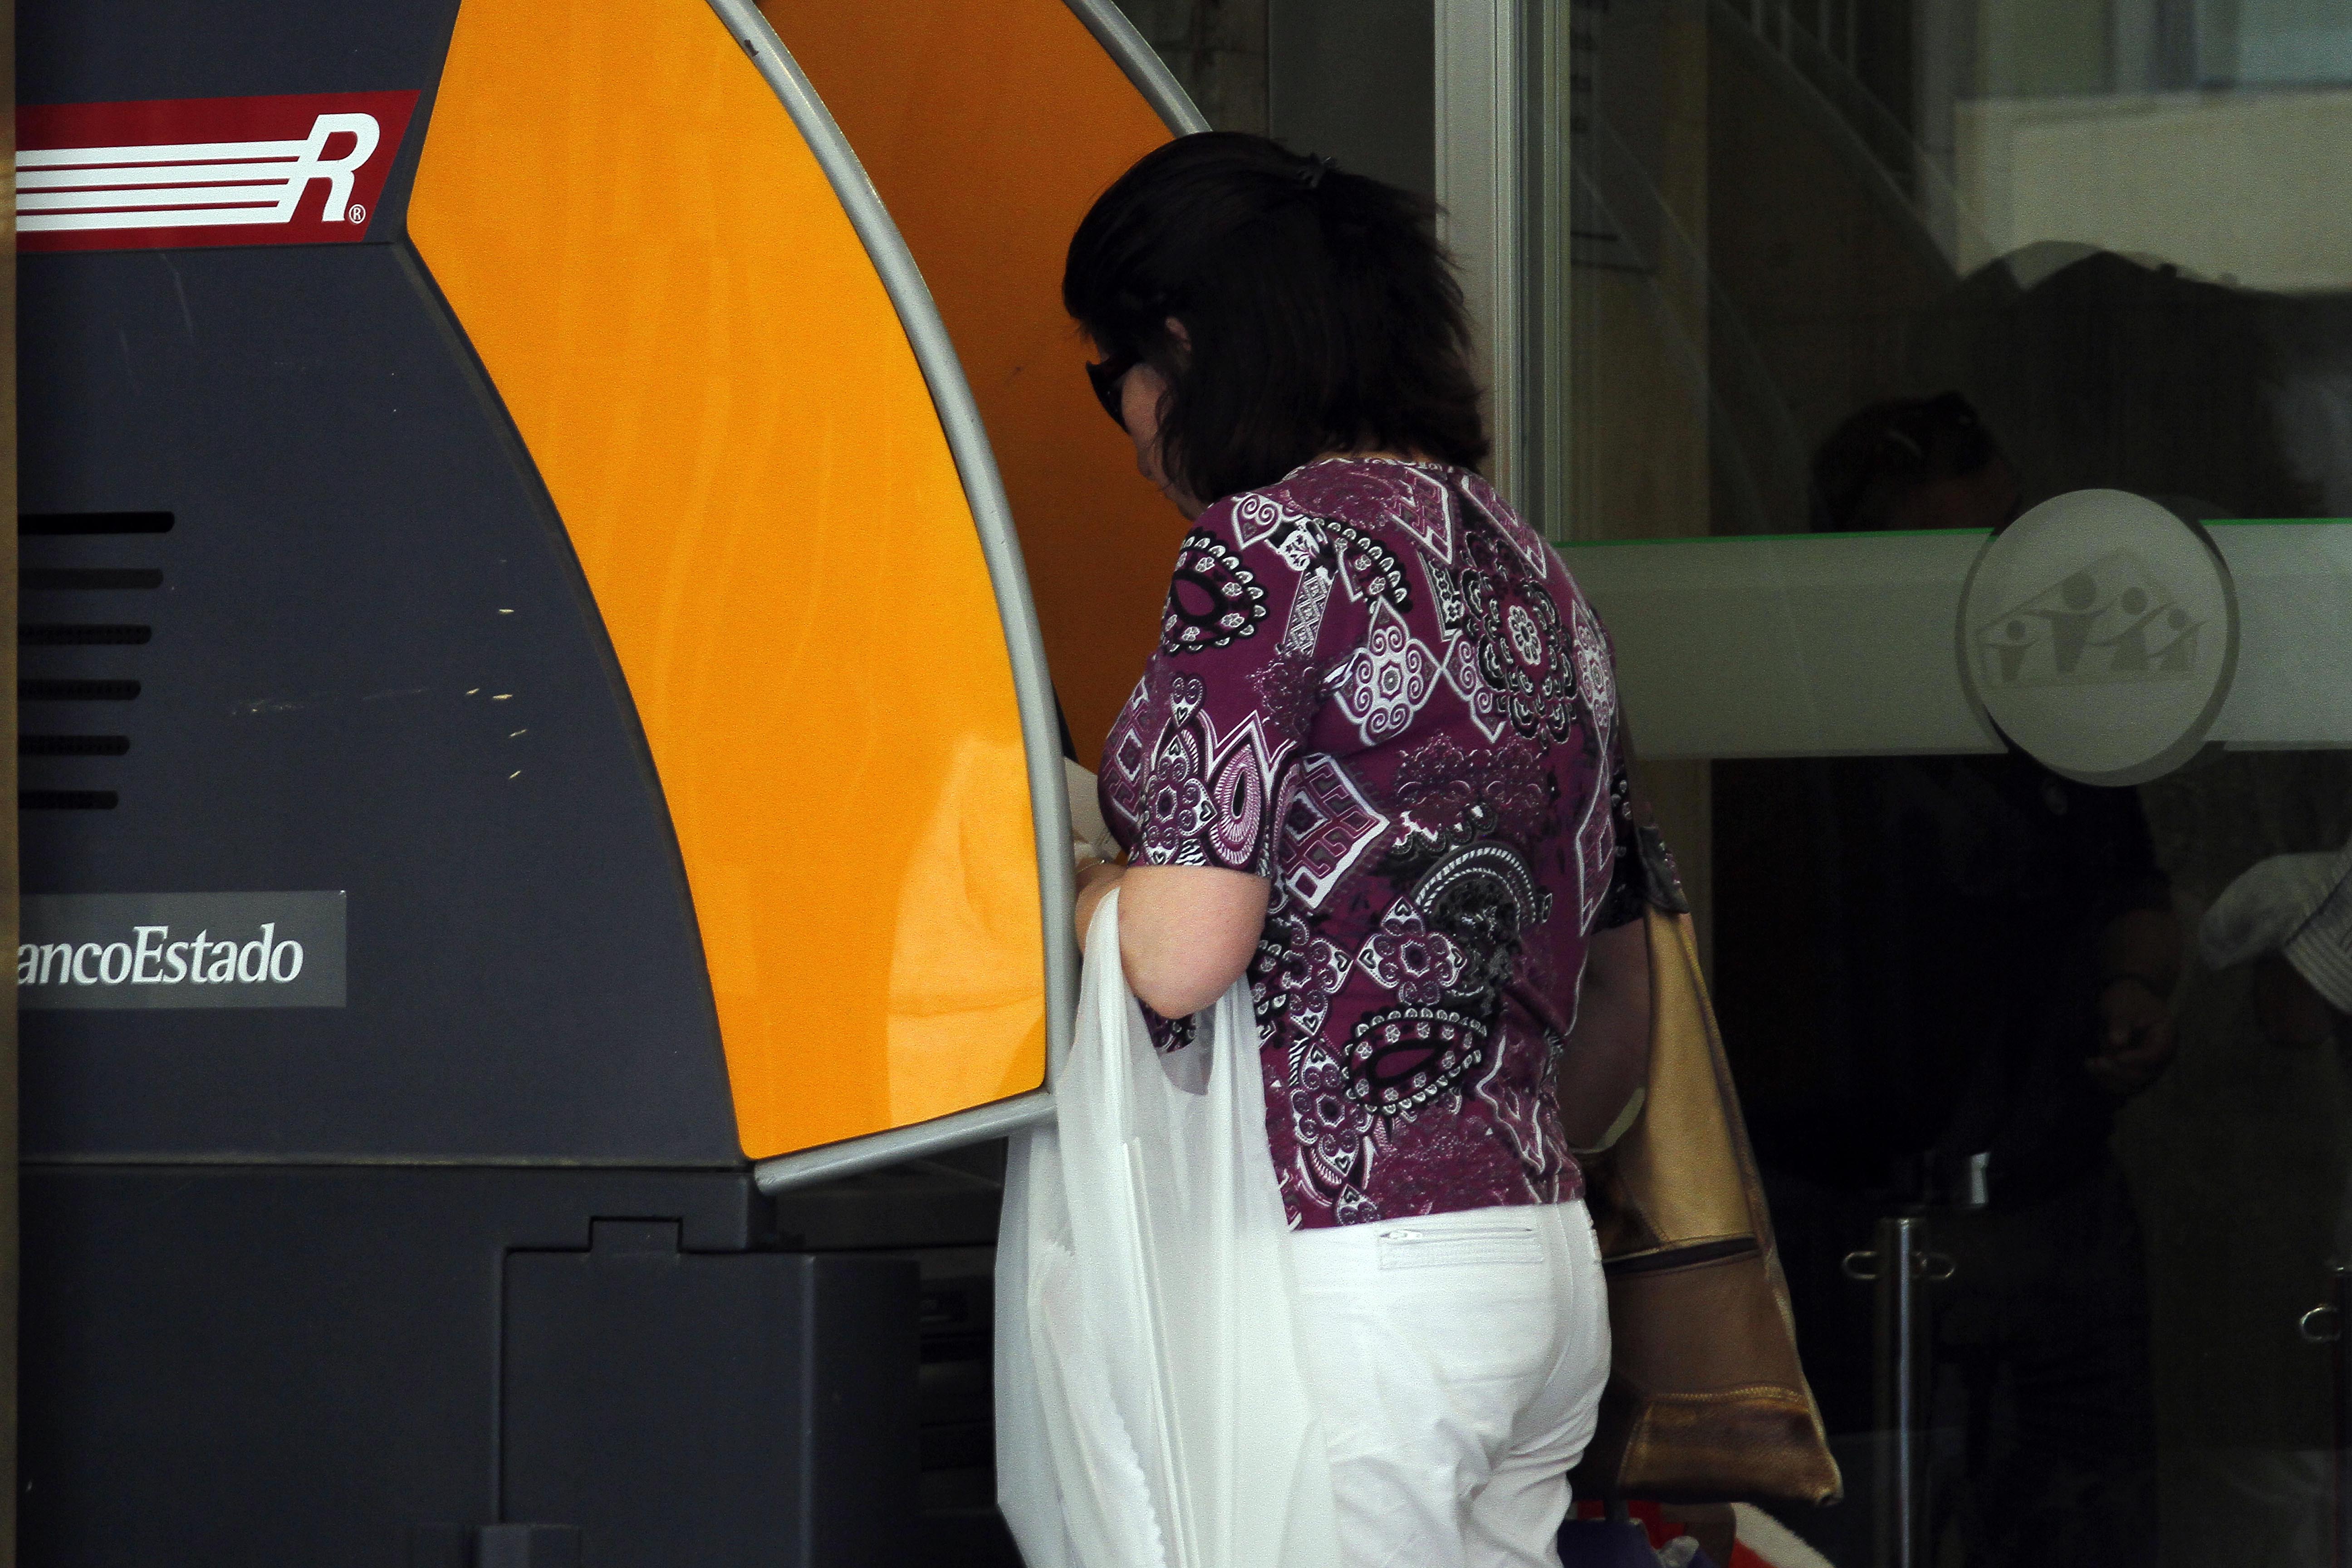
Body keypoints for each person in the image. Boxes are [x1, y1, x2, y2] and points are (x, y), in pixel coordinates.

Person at [1058, 132, 1653, 1568]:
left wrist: (1076, 880)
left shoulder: (1267, 551)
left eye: (1109, 375)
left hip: (1350, 1283)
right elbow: (1624, 1000)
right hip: (1537, 1262)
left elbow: (1179, 955)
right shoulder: (1531, 568)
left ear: (1182, 344)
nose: (1126, 427)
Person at [1720, 392, 2179, 1567]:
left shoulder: (2053, 692)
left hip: (2055, 1205)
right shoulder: (1787, 728)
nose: (2000, 579)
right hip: (1852, 1219)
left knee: (2085, 1528)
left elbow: (2131, 884)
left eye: (2013, 535)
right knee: (1856, 1531)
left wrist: (2135, 989)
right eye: (1964, 553)